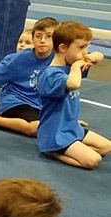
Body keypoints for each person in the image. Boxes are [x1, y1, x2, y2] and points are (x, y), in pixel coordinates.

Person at [0, 18, 59, 137]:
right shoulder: (17, 59)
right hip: (14, 101)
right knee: (36, 128)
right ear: (33, 39)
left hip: (37, 105)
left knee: (56, 128)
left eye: (48, 36)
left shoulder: (58, 58)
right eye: (38, 36)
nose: (43, 40)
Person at [37, 20, 110, 169]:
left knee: (106, 147)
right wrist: (77, 66)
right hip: (55, 132)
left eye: (87, 47)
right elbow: (73, 84)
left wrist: (92, 56)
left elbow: (99, 55)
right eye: (82, 47)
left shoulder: (70, 65)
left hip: (71, 127)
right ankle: (52, 151)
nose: (85, 52)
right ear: (63, 48)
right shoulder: (51, 75)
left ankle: (73, 147)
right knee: (93, 160)